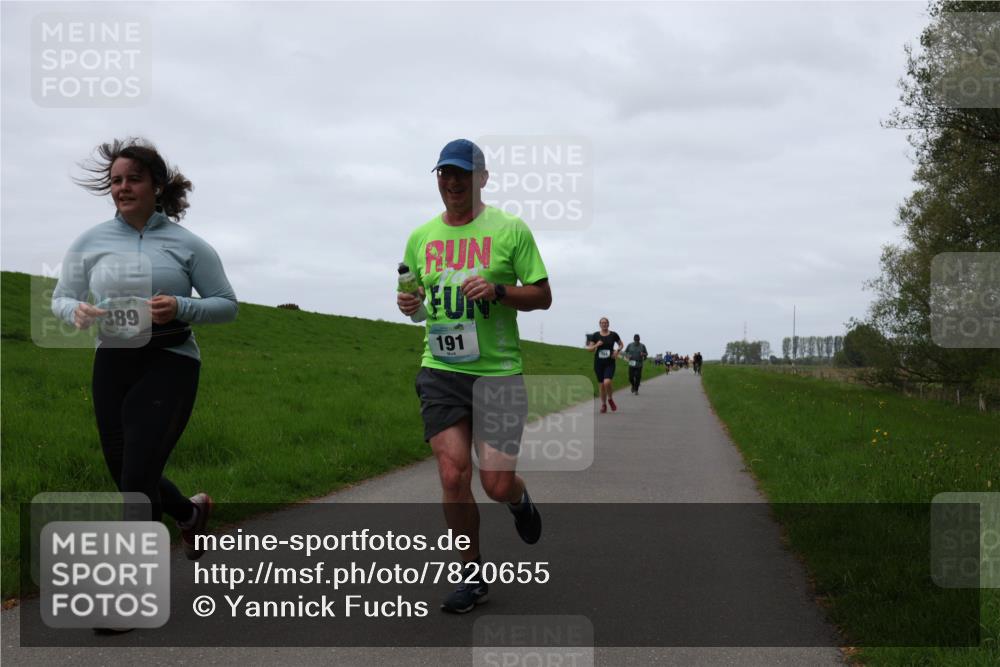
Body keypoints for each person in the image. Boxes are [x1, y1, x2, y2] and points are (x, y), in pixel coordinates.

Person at [52, 138, 238, 563]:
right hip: (113, 361)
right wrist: (74, 311)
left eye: (134, 179)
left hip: (170, 361)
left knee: (137, 475)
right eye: (116, 180)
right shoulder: (90, 241)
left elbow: (226, 305)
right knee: (127, 472)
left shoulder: (188, 245)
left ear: (157, 185)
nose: (123, 187)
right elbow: (61, 298)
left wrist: (180, 306)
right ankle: (190, 514)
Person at [397, 139, 551, 614]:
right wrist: (411, 306)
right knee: (452, 472)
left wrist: (500, 290)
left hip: (498, 374)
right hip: (441, 369)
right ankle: (471, 575)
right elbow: (421, 306)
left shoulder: (510, 230)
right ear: (438, 179)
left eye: (463, 173)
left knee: (496, 484)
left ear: (482, 178)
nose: (453, 182)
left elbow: (542, 295)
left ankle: (519, 501)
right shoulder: (421, 237)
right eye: (445, 173)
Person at [586, 318, 623, 413]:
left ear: (608, 324)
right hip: (598, 363)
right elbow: (590, 349)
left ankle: (610, 399)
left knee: (607, 382)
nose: (604, 324)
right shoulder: (595, 335)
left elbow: (621, 344)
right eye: (602, 323)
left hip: (610, 362)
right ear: (600, 324)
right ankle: (603, 405)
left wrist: (617, 351)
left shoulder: (613, 334)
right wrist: (596, 345)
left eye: (606, 323)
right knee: (601, 385)